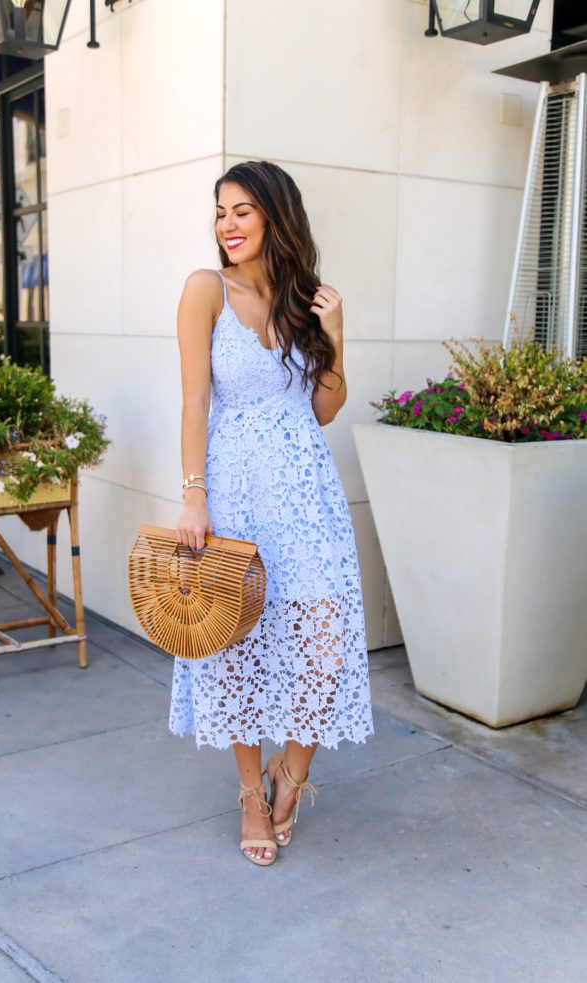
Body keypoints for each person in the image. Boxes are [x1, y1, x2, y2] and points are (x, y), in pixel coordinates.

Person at [170, 160, 373, 866]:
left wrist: (336, 334)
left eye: (242, 211)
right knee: (236, 644)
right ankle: (252, 792)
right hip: (234, 490)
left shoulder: (303, 299)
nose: (226, 224)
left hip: (305, 492)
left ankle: (295, 773)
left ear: (274, 218)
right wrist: (194, 493)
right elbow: (195, 400)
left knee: (321, 643)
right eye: (220, 211)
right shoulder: (205, 290)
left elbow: (321, 409)